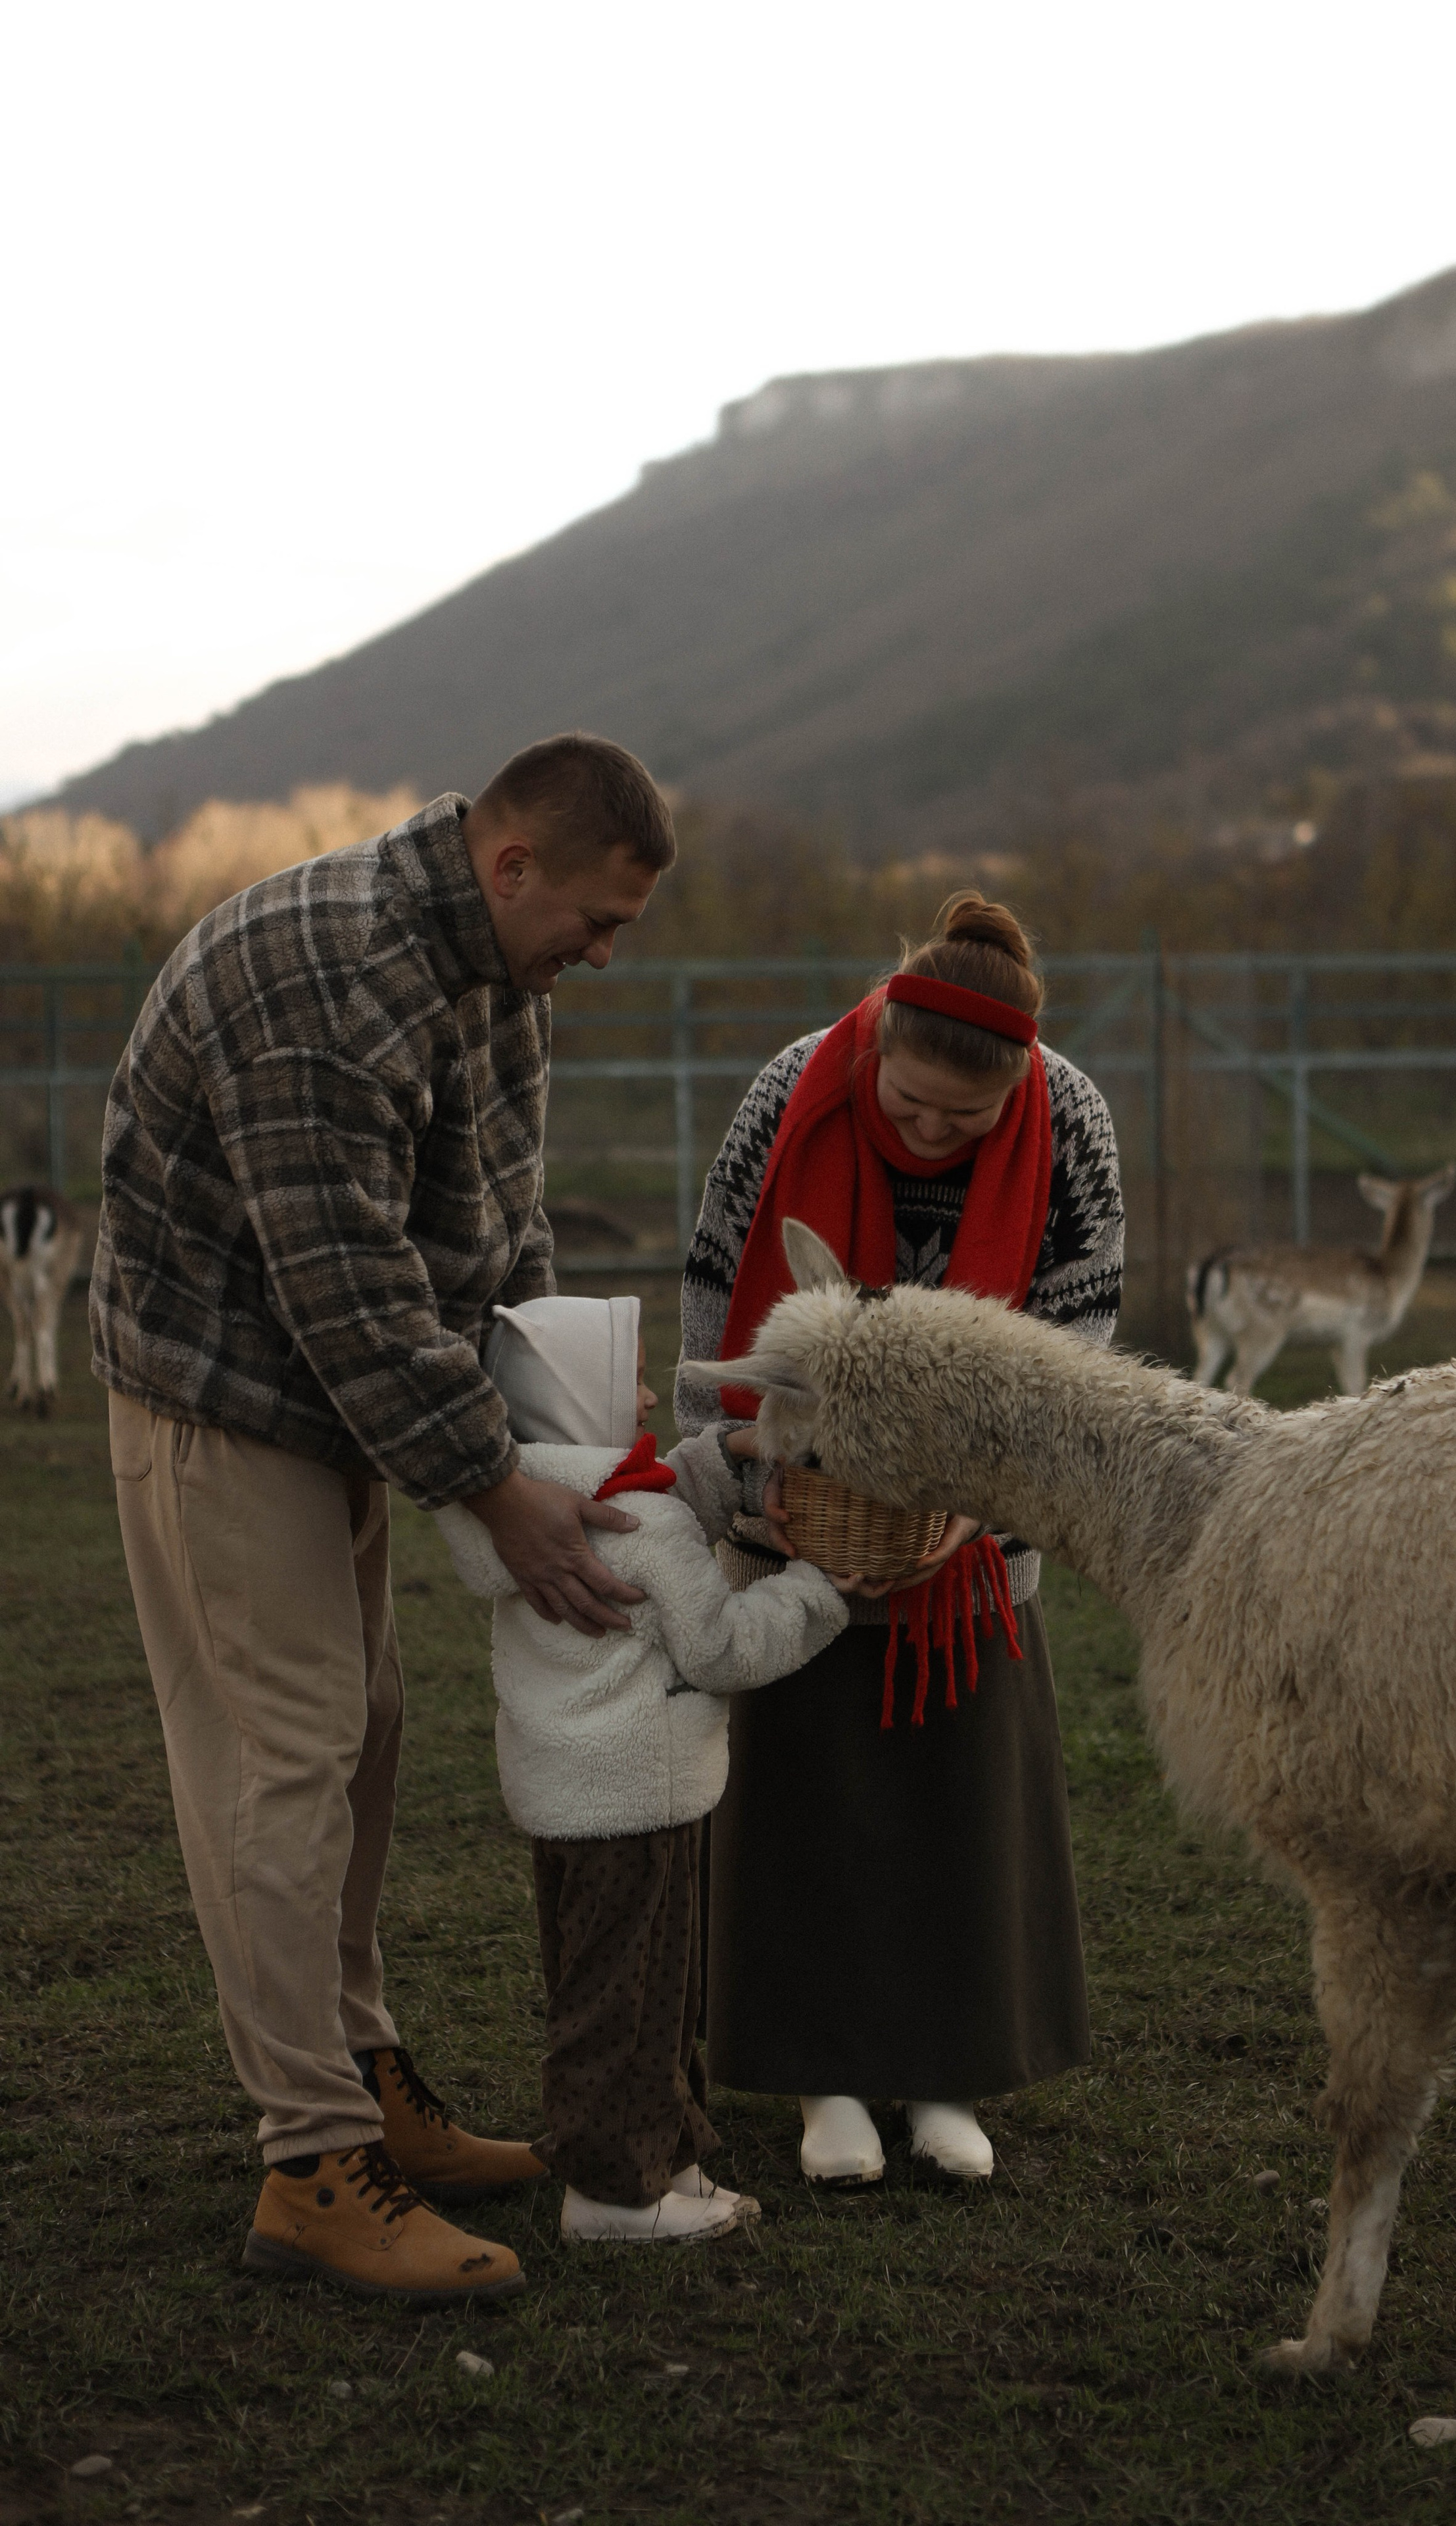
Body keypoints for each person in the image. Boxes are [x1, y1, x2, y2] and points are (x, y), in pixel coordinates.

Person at [93, 732, 675, 2302]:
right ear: (510, 867)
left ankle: (359, 2077)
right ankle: (310, 2163)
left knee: (368, 1727)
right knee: (284, 1752)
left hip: (335, 1393)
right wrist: (496, 1486)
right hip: (223, 1393)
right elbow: (344, 1290)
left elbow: (505, 1217)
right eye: (594, 922)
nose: (604, 958)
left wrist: (571, 1436)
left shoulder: (501, 978)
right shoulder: (324, 988)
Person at [675, 893, 1124, 2185]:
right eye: (908, 1104)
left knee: (951, 1803)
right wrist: (738, 1481)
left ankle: (943, 2077)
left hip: (972, 1538)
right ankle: (819, 2077)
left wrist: (985, 1492)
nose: (926, 1130)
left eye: (959, 1122)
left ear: (1016, 1092)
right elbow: (718, 1287)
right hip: (794, 1513)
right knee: (806, 1795)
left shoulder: (1074, 1116)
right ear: (875, 1042)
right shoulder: (786, 1091)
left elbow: (1078, 1326)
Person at [434, 1295, 849, 2241]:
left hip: (563, 1792)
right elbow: (722, 1652)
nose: (649, 1391)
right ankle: (613, 2193)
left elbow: (661, 1486)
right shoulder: (645, 1529)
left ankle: (666, 2151)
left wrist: (734, 1461)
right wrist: (815, 1591)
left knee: (613, 1986)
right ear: (579, 1401)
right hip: (644, 1793)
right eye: (626, 1379)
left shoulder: (536, 1504)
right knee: (636, 2000)